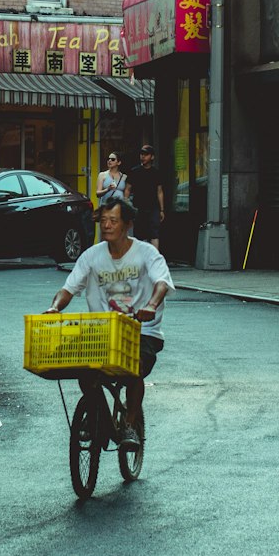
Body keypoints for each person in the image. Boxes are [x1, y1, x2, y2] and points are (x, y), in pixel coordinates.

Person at [47, 198, 173, 440]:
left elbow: (162, 283)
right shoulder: (91, 256)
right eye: (103, 220)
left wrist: (151, 305)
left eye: (113, 221)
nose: (106, 225)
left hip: (142, 331)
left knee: (133, 369)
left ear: (127, 224)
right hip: (104, 332)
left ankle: (129, 423)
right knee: (83, 369)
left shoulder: (147, 253)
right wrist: (55, 308)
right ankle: (96, 415)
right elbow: (68, 288)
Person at [128, 144, 165, 248]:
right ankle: (138, 260)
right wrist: (127, 206)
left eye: (146, 154)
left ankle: (154, 260)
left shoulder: (156, 173)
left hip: (153, 207)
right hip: (138, 207)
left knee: (154, 234)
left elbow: (160, 191)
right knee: (138, 235)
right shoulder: (134, 171)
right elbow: (127, 189)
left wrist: (162, 210)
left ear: (152, 157)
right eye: (141, 154)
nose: (143, 156)